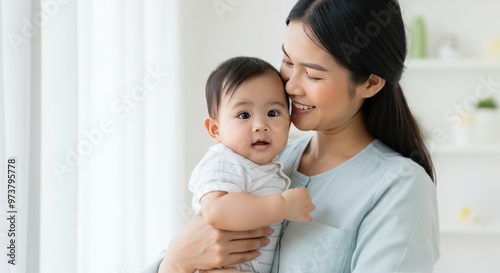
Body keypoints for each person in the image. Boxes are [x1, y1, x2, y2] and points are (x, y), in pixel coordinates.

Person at [144, 0, 440, 272]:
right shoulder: (265, 157)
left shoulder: (399, 187)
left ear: (371, 83)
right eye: (287, 62)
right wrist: (177, 260)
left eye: (313, 74)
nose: (291, 87)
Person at [187, 56, 314, 273]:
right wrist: (283, 206)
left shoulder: (269, 165)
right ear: (215, 130)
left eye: (273, 113)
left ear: (289, 120)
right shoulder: (224, 162)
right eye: (244, 115)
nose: (260, 125)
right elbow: (216, 210)